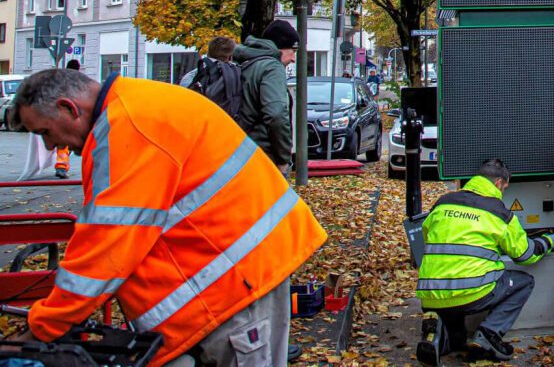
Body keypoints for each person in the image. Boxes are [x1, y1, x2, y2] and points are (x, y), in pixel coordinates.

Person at [11, 67, 326, 366]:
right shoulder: (136, 105)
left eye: (45, 132)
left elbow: (106, 245)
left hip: (235, 283)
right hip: (241, 270)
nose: (50, 145)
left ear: (69, 108)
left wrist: (42, 328)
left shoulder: (128, 125)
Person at [416, 158, 554, 364]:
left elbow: (427, 234)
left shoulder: (443, 202)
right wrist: (548, 241)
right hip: (472, 293)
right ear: (498, 183)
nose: (504, 192)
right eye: (505, 187)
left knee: (457, 337)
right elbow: (524, 255)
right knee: (523, 283)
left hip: (430, 294)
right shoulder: (498, 212)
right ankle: (488, 335)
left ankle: (437, 336)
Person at [234, 19, 297, 173]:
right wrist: (283, 158)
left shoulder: (242, 61)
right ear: (281, 48)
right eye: (293, 51)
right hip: (262, 156)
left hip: (237, 151)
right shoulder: (272, 67)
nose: (294, 59)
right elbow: (276, 115)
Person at [53, 60, 80, 179]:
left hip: (58, 115)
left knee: (62, 142)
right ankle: (61, 167)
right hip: (69, 116)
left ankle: (61, 166)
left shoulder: (59, 80)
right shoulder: (76, 82)